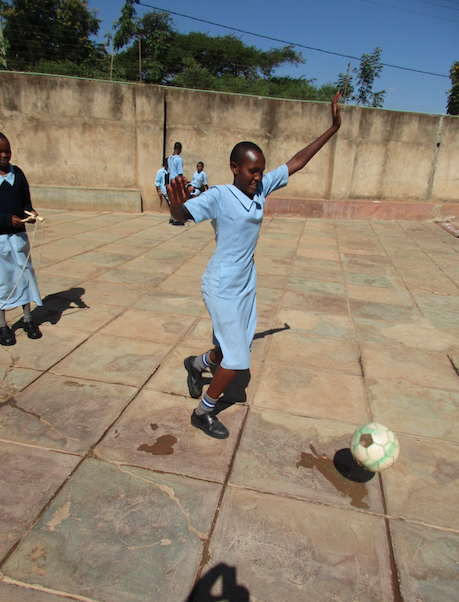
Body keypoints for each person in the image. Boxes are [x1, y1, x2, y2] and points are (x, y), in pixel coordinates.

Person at [167, 92, 342, 439]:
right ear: (235, 168)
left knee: (232, 347)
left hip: (246, 283)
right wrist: (174, 207)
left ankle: (195, 364)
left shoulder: (260, 190)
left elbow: (296, 162)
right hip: (221, 285)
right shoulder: (219, 195)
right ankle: (203, 412)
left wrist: (333, 128)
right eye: (251, 170)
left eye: (261, 171)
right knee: (236, 359)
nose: (258, 176)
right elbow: (182, 214)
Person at [0, 133, 42, 346]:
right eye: (0, 151)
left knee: (25, 277)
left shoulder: (18, 174)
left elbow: (25, 202)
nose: (5, 154)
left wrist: (29, 213)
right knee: (3, 281)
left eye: (7, 150)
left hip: (19, 237)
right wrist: (8, 219)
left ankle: (28, 319)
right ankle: (2, 325)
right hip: (0, 240)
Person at [167, 142, 185, 225]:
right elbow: (180, 174)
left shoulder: (169, 159)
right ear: (180, 149)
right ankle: (176, 219)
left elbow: (169, 171)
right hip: (176, 182)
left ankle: (172, 218)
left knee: (172, 200)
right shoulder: (178, 159)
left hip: (171, 181)